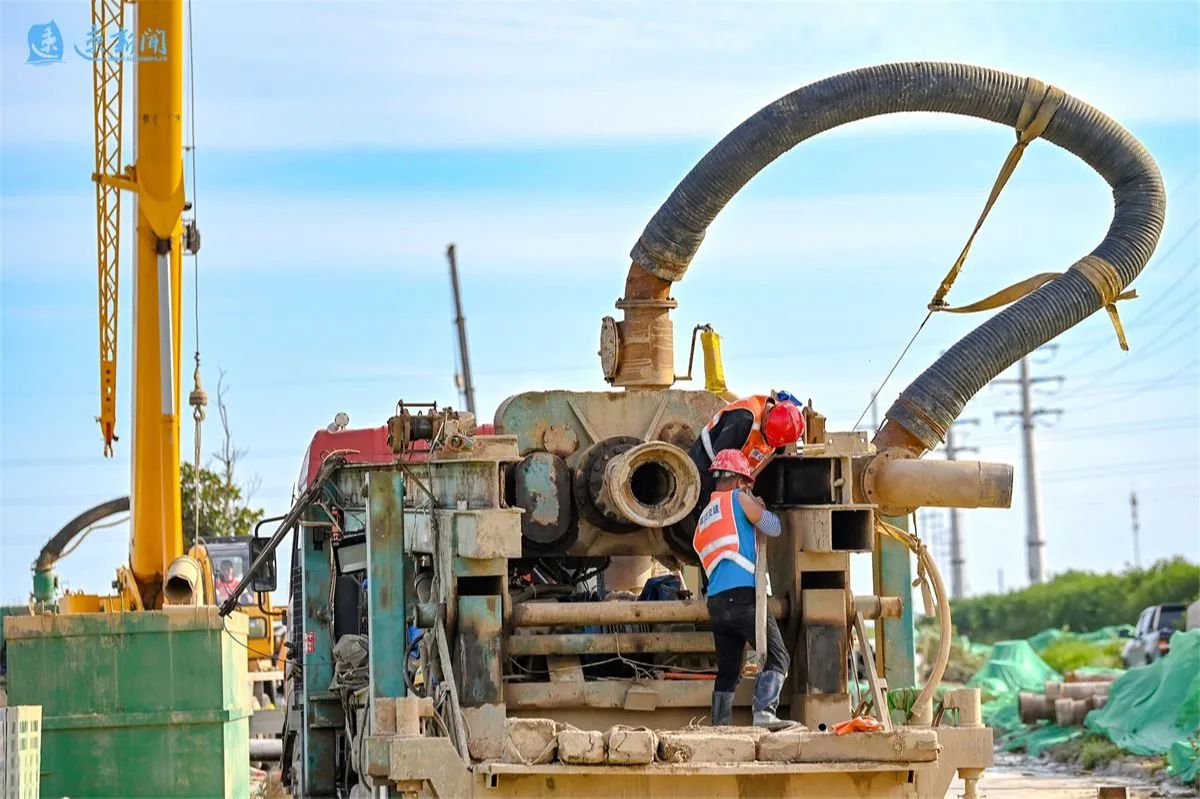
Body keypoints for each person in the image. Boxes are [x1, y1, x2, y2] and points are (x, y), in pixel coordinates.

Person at [694, 449, 791, 728]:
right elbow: (773, 527)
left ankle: (720, 725)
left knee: (728, 671)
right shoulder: (738, 498)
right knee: (778, 657)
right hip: (744, 597)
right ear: (739, 480)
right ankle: (764, 714)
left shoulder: (704, 518)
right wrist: (759, 507)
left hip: (716, 603)